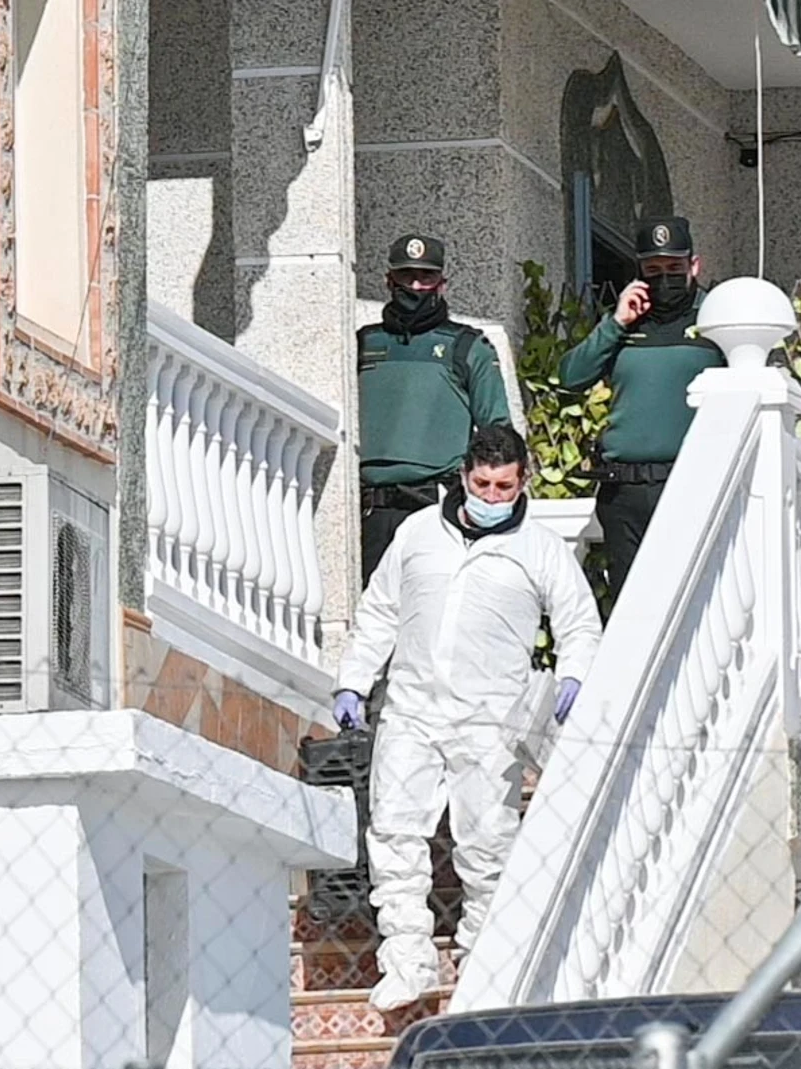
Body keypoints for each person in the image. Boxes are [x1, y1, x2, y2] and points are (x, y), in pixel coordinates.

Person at [333, 424, 603, 1011]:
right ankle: (406, 960)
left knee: (486, 845)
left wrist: (575, 673)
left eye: (503, 486)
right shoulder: (417, 534)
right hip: (411, 708)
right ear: (462, 476)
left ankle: (483, 964)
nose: (490, 495)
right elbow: (380, 611)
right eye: (481, 482)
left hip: (490, 719)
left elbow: (578, 622)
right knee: (395, 832)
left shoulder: (542, 551)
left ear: (522, 481)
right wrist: (354, 680)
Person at [558, 215, 723, 601]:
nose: (663, 278)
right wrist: (616, 323)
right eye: (653, 270)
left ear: (694, 266)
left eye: (673, 269)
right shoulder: (625, 325)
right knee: (631, 605)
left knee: (692, 601)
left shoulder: (715, 321)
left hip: (688, 485)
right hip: (623, 493)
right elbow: (571, 378)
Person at [357, 232, 514, 580]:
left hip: (436, 507)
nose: (415, 285)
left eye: (426, 276)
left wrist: (488, 506)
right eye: (406, 275)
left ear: (442, 283)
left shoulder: (468, 346)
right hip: (369, 513)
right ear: (388, 280)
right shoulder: (362, 343)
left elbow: (498, 436)